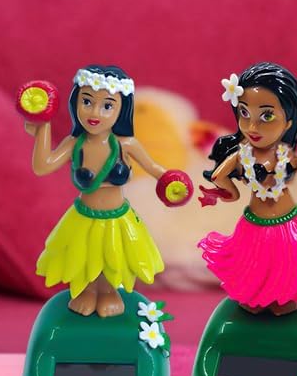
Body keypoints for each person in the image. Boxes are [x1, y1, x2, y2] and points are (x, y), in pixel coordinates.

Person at [25, 64, 190, 318]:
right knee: (85, 257)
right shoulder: (75, 143)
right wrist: (43, 128)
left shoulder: (126, 145)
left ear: (122, 110)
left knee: (112, 259)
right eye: (87, 102)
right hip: (84, 217)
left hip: (116, 218)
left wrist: (171, 182)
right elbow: (42, 165)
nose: (95, 112)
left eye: (107, 106)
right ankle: (87, 291)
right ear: (75, 102)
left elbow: (154, 167)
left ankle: (109, 291)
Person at [198, 61, 297, 315]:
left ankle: (281, 297)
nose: (252, 127)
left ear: (288, 122)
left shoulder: (284, 154)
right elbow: (219, 175)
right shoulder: (242, 155)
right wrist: (231, 193)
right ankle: (258, 296)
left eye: (266, 116)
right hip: (255, 224)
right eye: (244, 113)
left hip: (288, 222)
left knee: (285, 264)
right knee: (255, 264)